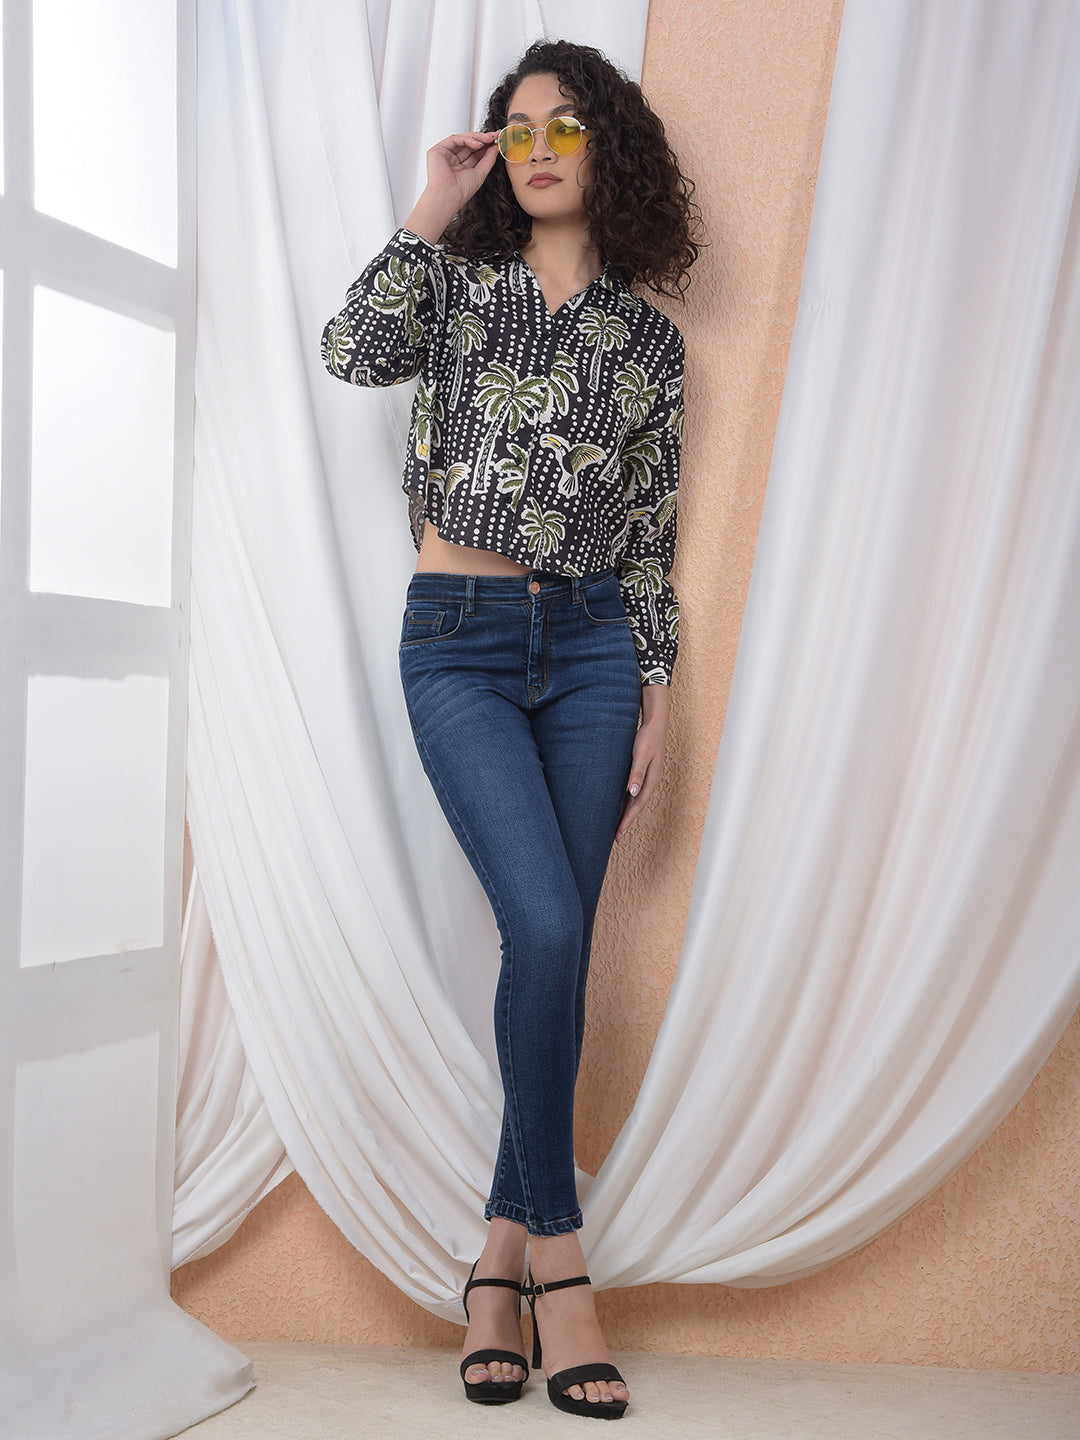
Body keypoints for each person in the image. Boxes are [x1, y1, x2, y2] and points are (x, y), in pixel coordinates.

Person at [322, 38, 699, 1420]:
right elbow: (350, 351)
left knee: (558, 953)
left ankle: (494, 1260)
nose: (538, 150)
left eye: (565, 127)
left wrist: (655, 686)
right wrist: (432, 203)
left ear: (610, 147)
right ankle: (562, 1264)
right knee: (543, 929)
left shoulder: (651, 345)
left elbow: (649, 536)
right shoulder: (457, 288)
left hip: (595, 651)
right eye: (517, 130)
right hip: (460, 644)